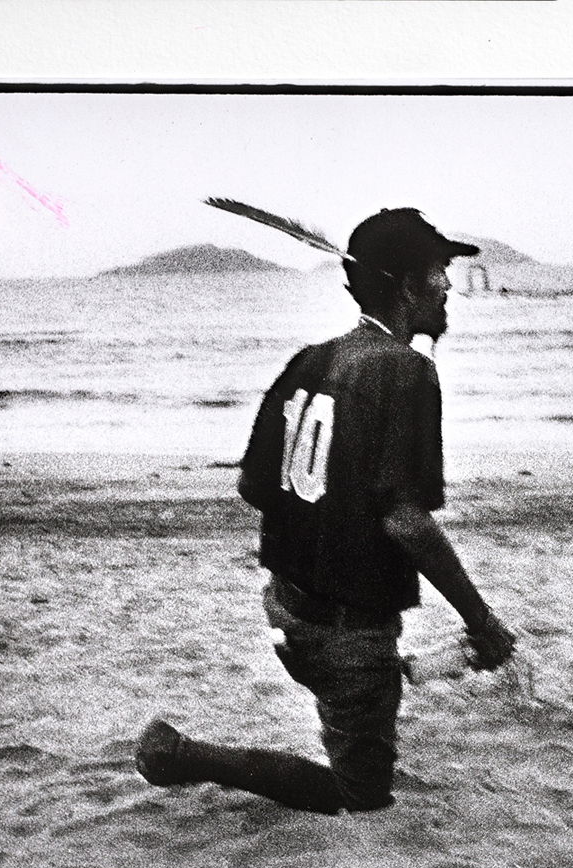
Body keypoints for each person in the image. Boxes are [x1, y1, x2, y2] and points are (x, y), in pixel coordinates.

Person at [135, 208, 516, 814]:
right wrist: (481, 620)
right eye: (440, 271)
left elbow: (257, 488)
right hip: (343, 635)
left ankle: (383, 674)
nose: (449, 285)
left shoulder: (310, 359)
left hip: (285, 611)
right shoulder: (407, 370)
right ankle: (181, 756)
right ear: (409, 285)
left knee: (365, 678)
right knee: (359, 793)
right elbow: (405, 520)